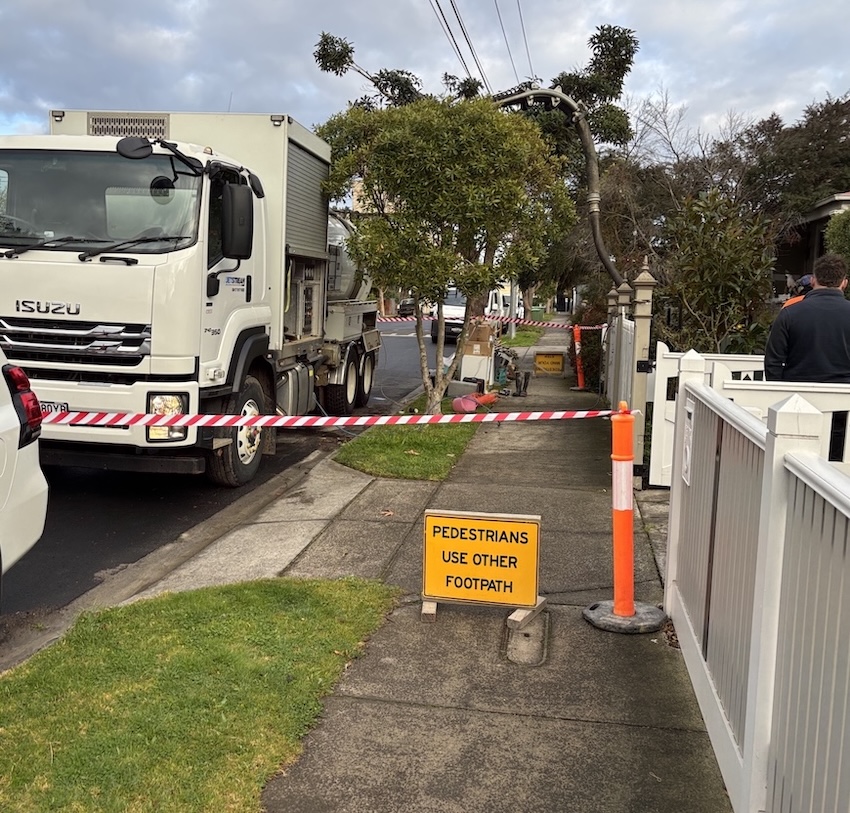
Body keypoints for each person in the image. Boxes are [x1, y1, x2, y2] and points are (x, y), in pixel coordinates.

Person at [765, 254, 850, 383]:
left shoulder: (789, 313)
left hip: (797, 394)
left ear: (812, 280)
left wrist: (780, 392)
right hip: (844, 395)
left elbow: (773, 361)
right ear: (844, 283)